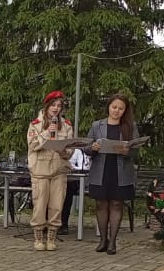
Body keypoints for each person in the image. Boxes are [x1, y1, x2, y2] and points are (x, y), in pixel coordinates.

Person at [84, 94, 138, 255]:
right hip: (101, 169)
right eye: (114, 107)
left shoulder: (130, 126)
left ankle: (113, 241)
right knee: (101, 204)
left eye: (121, 108)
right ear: (108, 107)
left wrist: (128, 151)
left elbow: (136, 150)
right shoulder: (97, 125)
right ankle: (103, 239)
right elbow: (86, 147)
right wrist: (92, 148)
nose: (116, 111)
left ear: (125, 111)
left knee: (116, 204)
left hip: (120, 170)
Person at [26, 91, 76, 251]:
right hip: (40, 170)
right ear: (47, 106)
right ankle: (38, 238)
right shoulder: (35, 124)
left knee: (57, 206)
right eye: (53, 105)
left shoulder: (66, 125)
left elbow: (71, 149)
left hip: (59, 169)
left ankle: (52, 237)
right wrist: (47, 132)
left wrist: (64, 151)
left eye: (59, 106)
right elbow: (32, 145)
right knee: (40, 205)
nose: (56, 108)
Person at [60, 148, 91, 235]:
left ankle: (63, 224)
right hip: (54, 177)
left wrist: (71, 167)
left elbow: (85, 167)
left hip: (72, 179)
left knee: (68, 188)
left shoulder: (78, 151)